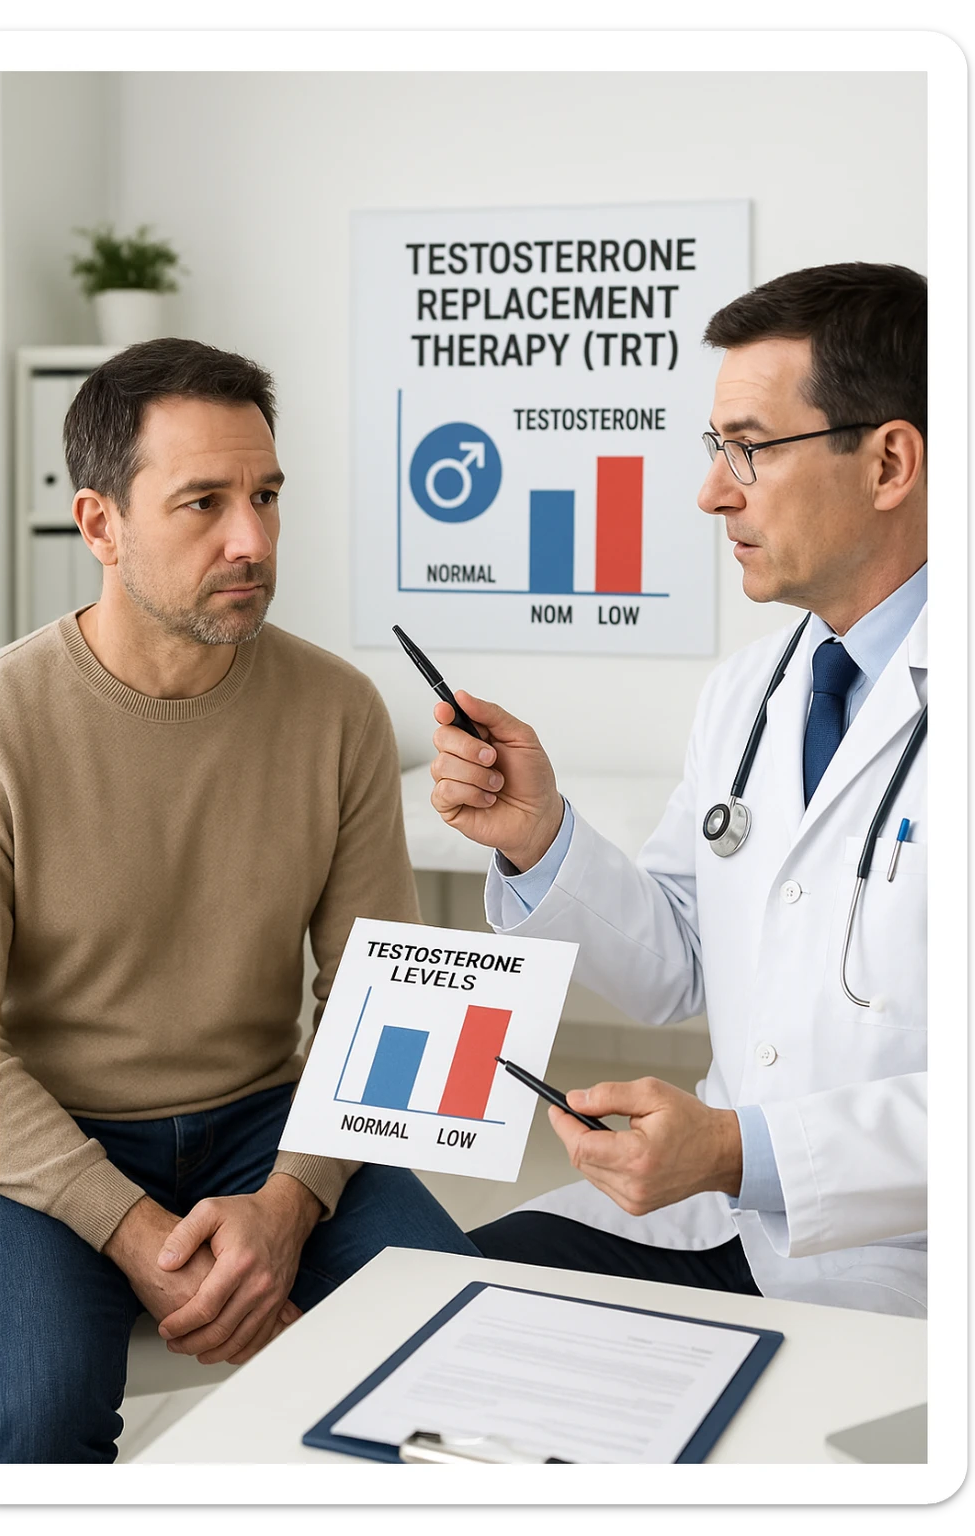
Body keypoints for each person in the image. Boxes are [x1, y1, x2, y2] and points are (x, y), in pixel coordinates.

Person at [0, 337, 479, 1464]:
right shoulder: (0, 723)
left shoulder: (340, 710)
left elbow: (386, 997)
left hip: (271, 1120)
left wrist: (288, 1204)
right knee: (27, 1418)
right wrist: (135, 1232)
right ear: (100, 524)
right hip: (50, 1140)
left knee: (473, 1347)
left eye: (265, 496)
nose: (252, 540)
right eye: (203, 503)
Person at [427, 262, 928, 1319]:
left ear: (888, 460)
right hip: (716, 1218)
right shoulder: (749, 692)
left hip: (911, 1265)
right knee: (432, 1308)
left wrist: (743, 1148)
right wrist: (539, 839)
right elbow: (673, 972)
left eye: (749, 448)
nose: (711, 490)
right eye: (716, 450)